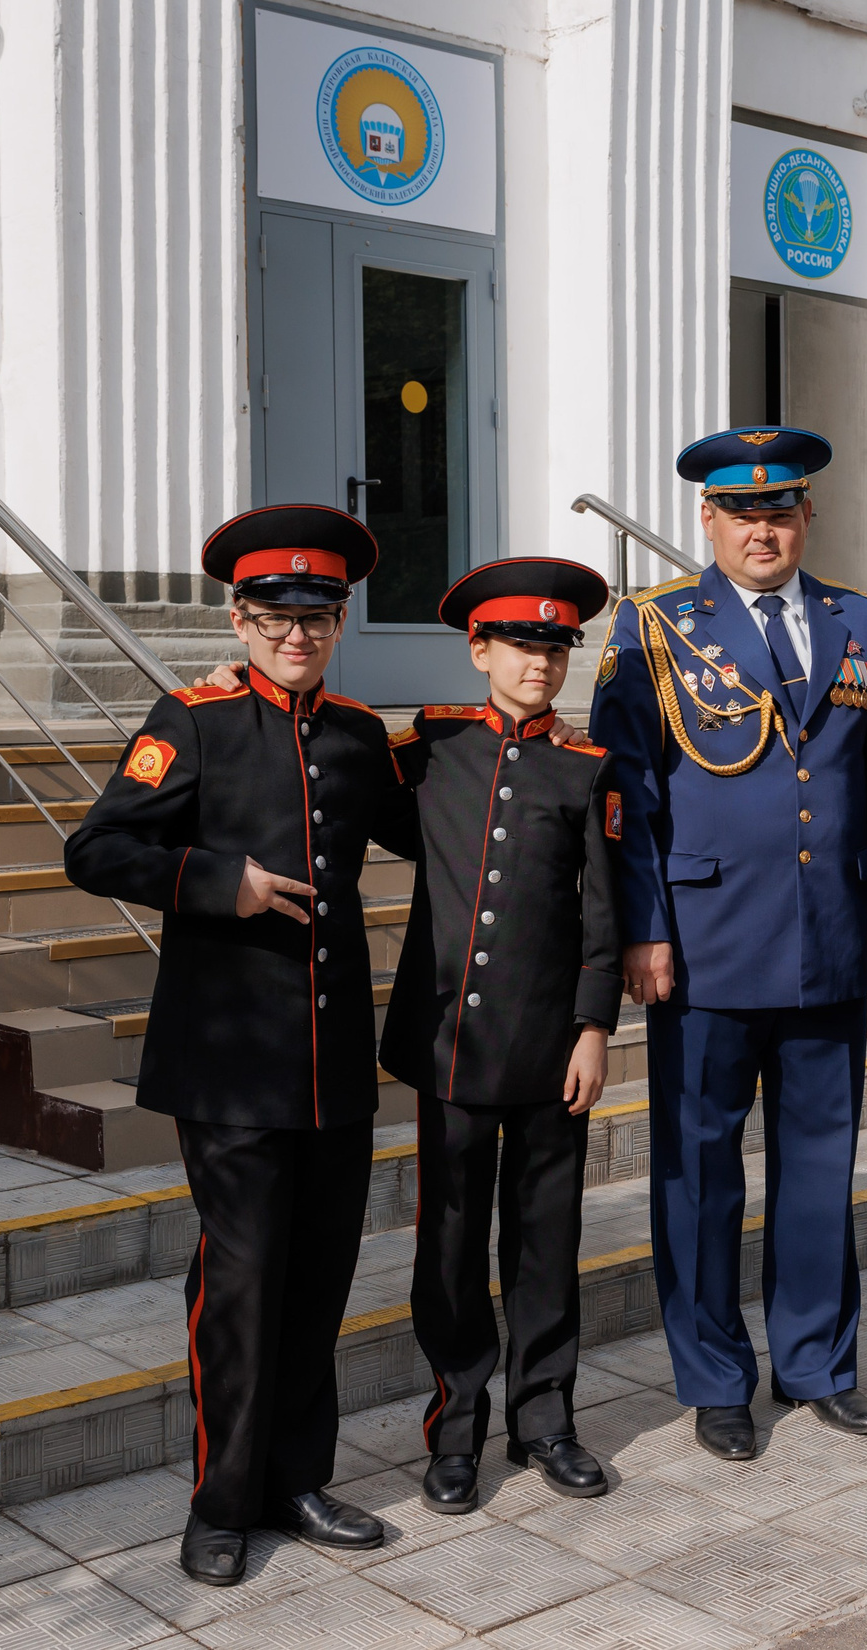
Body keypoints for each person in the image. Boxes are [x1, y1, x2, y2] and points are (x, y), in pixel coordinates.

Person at [64, 503, 413, 1585]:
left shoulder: (358, 734)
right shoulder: (195, 719)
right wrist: (223, 882)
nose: (295, 635)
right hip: (228, 1063)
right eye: (274, 616)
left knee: (319, 1279)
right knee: (243, 1282)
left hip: (331, 1064)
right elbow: (96, 846)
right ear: (239, 615)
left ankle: (298, 1480)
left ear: (341, 620)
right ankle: (220, 1502)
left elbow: (440, 820)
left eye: (316, 616)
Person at [589, 425, 867, 1460]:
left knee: (820, 1162)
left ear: (805, 514)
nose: (761, 527)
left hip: (828, 938)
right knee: (697, 1170)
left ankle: (816, 1362)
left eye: (779, 508)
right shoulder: (654, 626)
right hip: (703, 942)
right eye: (741, 510)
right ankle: (716, 1376)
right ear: (708, 518)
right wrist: (641, 927)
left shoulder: (858, 619)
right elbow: (623, 791)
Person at [380, 557, 641, 1515]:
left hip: (546, 1050)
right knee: (447, 1250)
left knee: (545, 1243)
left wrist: (593, 1025)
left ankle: (546, 1423)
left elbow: (601, 915)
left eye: (557, 644)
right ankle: (456, 1431)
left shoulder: (585, 771)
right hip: (451, 1045)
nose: (541, 661)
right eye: (522, 643)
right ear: (479, 648)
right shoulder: (429, 751)